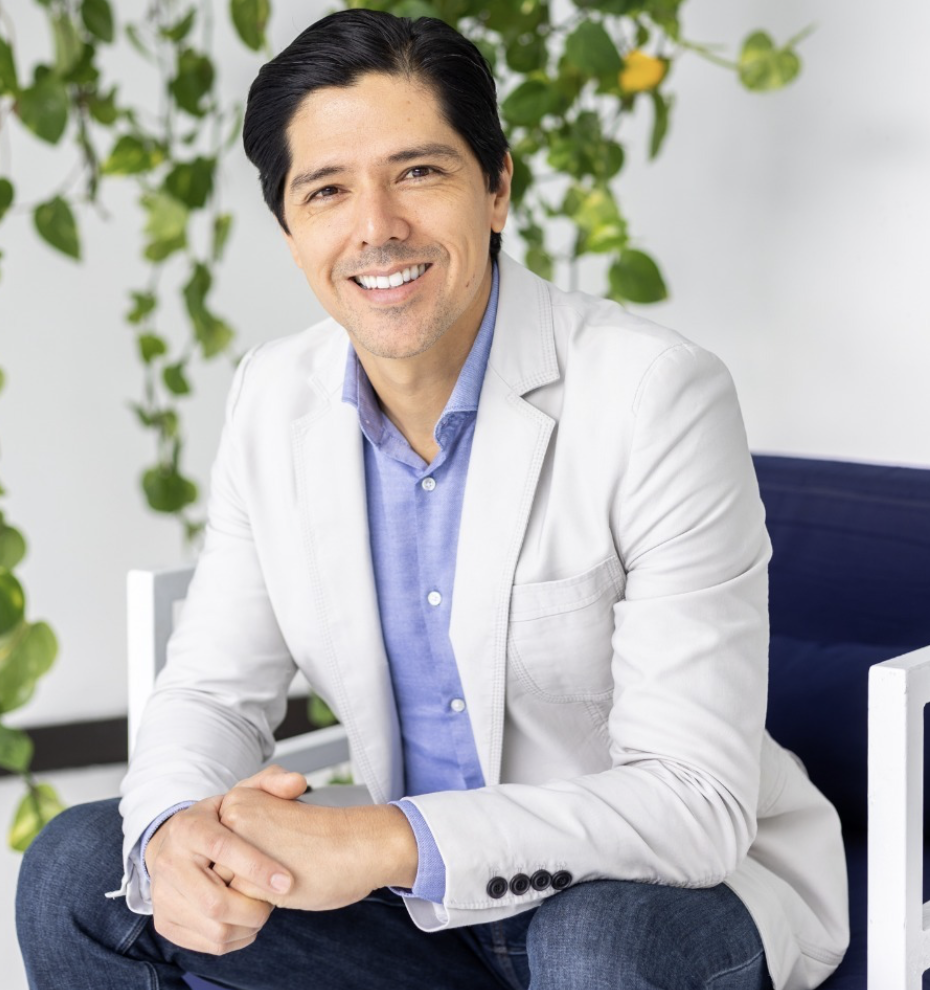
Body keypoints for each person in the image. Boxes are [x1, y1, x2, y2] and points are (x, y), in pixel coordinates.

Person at [16, 9, 849, 989]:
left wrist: (384, 840)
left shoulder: (655, 394)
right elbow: (210, 688)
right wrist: (171, 840)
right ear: (291, 230)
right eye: (327, 190)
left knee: (597, 945)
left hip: (647, 891)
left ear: (495, 187)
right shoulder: (273, 396)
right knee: (81, 870)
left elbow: (693, 804)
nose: (377, 226)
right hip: (415, 916)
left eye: (418, 172)